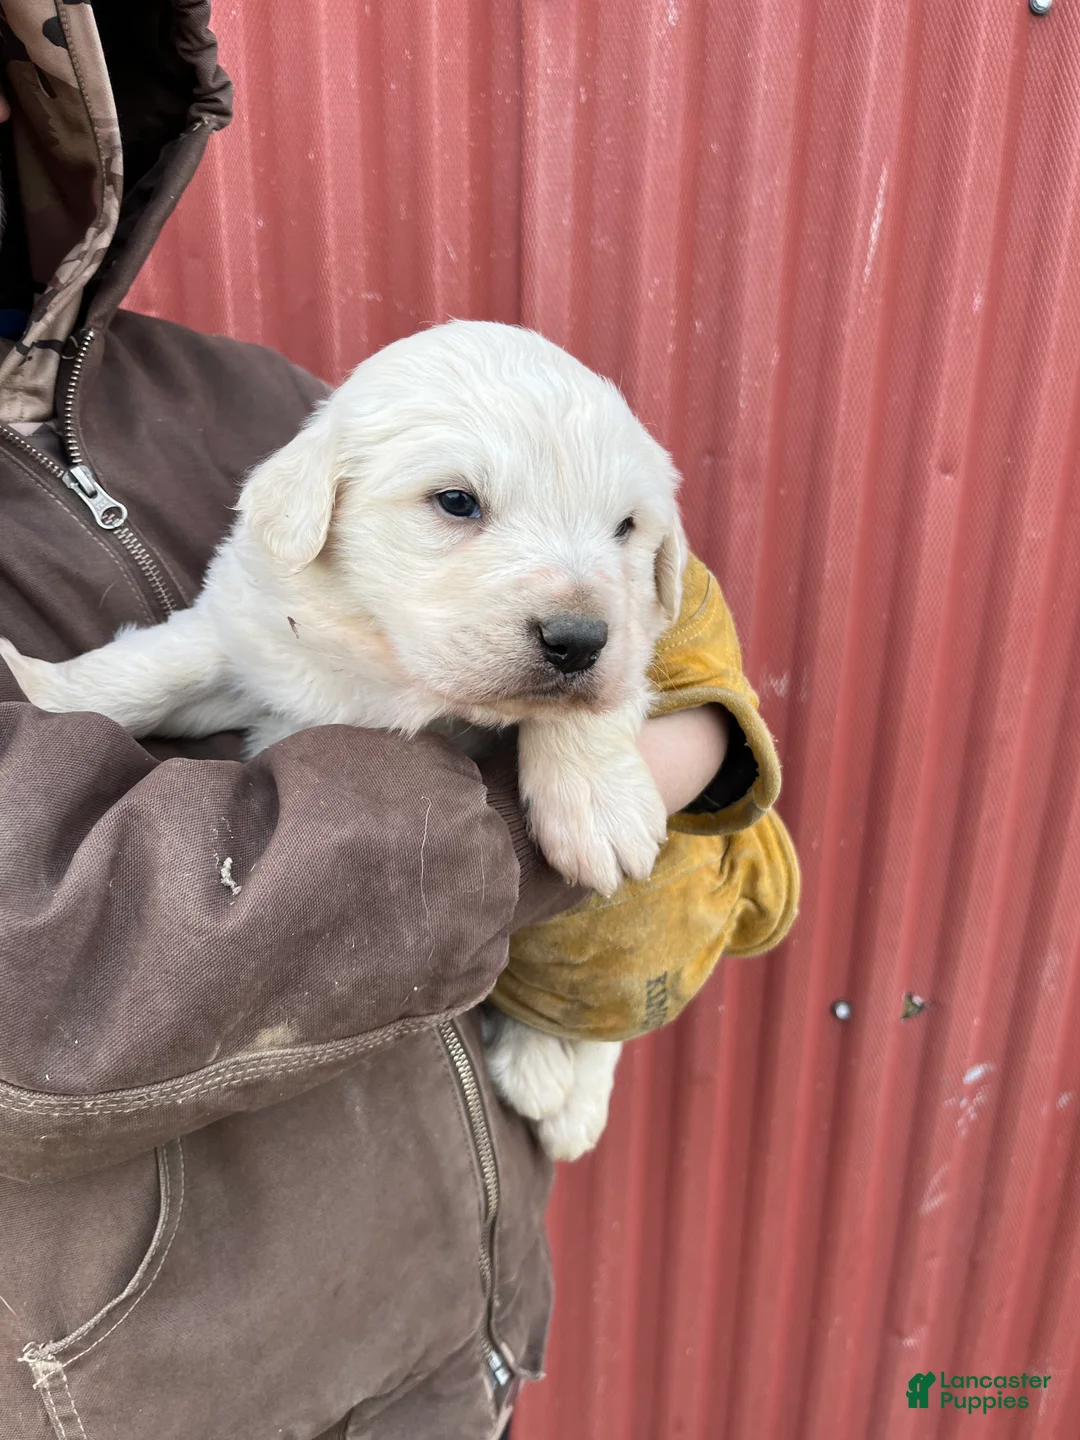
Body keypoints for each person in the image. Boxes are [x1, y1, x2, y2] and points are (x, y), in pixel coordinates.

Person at [0, 5, 744, 1437]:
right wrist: (638, 766)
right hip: (192, 1388)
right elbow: (203, 668)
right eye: (457, 507)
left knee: (623, 913)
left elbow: (652, 635)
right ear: (310, 507)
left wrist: (637, 727)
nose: (571, 604)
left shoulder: (239, 391)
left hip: (457, 1312)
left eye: (622, 529)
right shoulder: (299, 478)